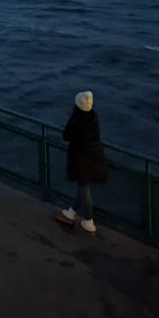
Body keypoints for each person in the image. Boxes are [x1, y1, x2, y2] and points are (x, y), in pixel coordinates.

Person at [55, 90, 109, 234]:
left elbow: (66, 136)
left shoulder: (76, 121)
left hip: (82, 159)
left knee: (84, 190)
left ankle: (89, 221)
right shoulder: (94, 118)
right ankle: (71, 212)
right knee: (82, 186)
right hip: (96, 155)